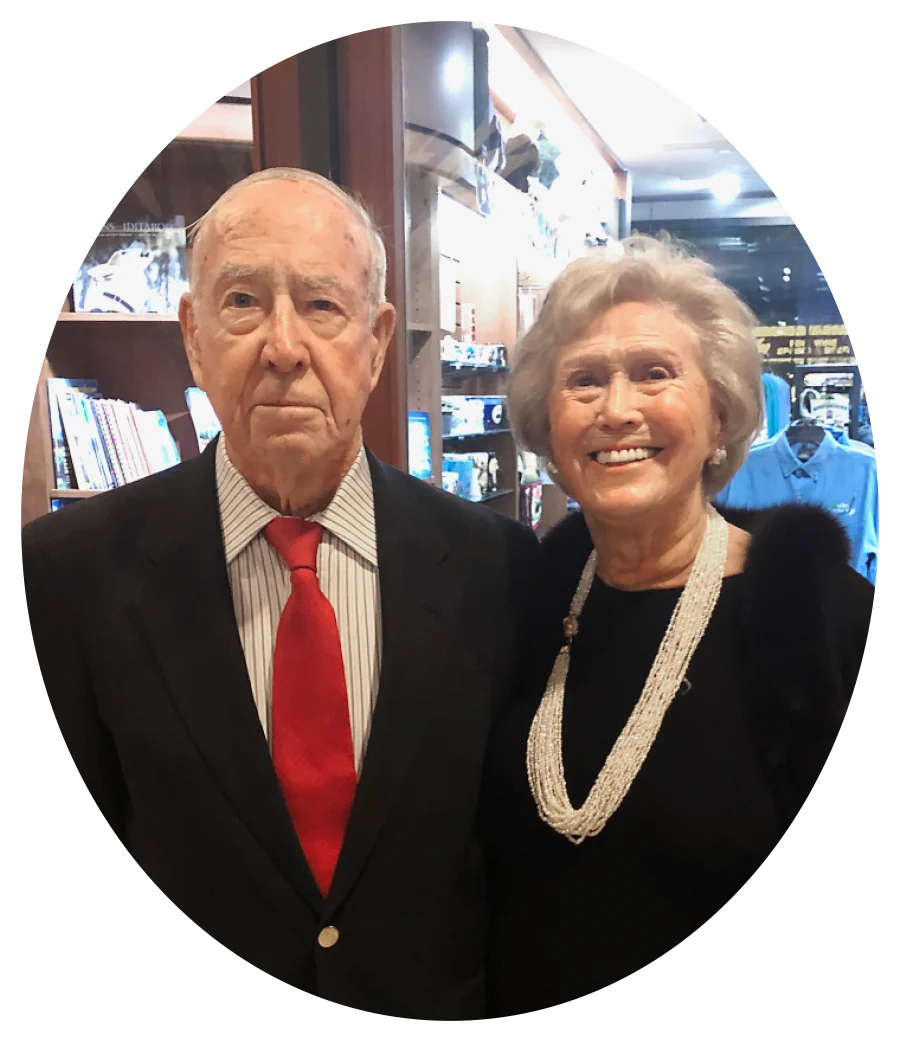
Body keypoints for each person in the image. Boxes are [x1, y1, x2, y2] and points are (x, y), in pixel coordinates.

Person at [22, 168, 540, 1020]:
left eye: (322, 307)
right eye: (242, 302)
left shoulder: (496, 569)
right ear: (193, 336)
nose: (284, 346)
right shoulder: (66, 575)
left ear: (375, 342)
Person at [480, 235, 874, 1016]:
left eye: (654, 374)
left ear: (721, 413)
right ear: (548, 434)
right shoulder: (516, 611)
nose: (617, 409)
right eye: (584, 381)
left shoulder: (826, 624)